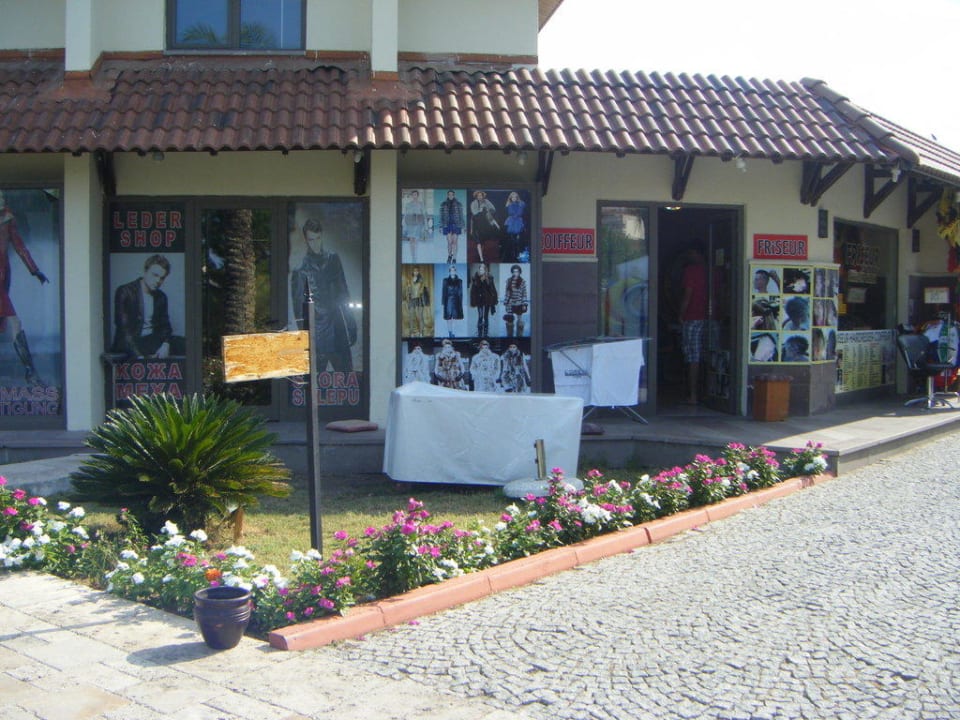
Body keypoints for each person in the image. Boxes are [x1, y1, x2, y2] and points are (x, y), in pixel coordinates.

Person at [290, 217, 356, 372]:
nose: (316, 243)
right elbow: (299, 311)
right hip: (317, 335)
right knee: (314, 385)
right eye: (312, 239)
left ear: (322, 236)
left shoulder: (333, 259)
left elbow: (343, 293)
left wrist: (351, 323)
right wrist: (306, 338)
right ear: (306, 240)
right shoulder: (301, 271)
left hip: (337, 329)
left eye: (318, 238)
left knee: (346, 378)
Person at [0, 189, 49, 386]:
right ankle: (30, 370)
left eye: (3, 197)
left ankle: (30, 370)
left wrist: (34, 270)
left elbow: (19, 246)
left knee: (14, 323)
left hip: (2, 279)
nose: (2, 201)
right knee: (13, 323)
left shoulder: (7, 219)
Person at [111, 254, 185, 360]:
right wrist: (139, 357)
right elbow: (124, 330)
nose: (158, 281)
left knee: (185, 344)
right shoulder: (125, 291)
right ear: (145, 272)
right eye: (155, 275)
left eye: (162, 278)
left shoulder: (161, 297)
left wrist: (165, 344)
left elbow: (165, 327)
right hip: (129, 343)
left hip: (150, 341)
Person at [678, 245, 708, 404]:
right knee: (709, 354)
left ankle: (693, 394)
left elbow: (687, 294)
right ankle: (709, 393)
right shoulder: (714, 270)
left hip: (693, 318)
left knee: (692, 356)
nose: (689, 256)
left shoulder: (691, 271)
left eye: (691, 252)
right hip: (712, 319)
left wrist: (681, 314)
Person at [469, 262, 498, 337]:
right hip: (479, 300)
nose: (481, 271)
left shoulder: (489, 278)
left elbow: (492, 289)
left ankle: (485, 332)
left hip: (487, 299)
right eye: (480, 269)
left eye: (483, 269)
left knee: (486, 316)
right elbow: (473, 290)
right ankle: (479, 332)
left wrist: (494, 299)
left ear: (485, 270)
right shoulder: (475, 278)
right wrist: (473, 300)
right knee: (480, 316)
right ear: (479, 270)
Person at [469, 190, 499, 263]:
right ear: (476, 196)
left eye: (481, 195)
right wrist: (480, 209)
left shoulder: (486, 202)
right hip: (476, 223)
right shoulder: (473, 203)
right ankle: (481, 258)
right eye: (478, 195)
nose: (480, 197)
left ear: (483, 196)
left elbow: (492, 210)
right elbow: (474, 213)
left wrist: (487, 210)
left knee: (482, 243)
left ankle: (480, 255)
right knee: (478, 242)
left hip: (484, 225)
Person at [502, 264, 528, 337]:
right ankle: (509, 336)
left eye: (517, 272)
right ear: (512, 272)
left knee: (520, 321)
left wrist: (524, 304)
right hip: (510, 303)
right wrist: (506, 302)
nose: (515, 273)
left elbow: (524, 294)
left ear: (520, 272)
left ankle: (519, 336)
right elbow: (507, 292)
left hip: (519, 303)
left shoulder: (522, 282)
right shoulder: (509, 281)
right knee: (510, 321)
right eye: (514, 272)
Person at [439, 190, 464, 264]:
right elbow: (441, 216)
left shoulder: (459, 204)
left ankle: (455, 258)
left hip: (456, 224)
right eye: (449, 194)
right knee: (449, 242)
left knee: (455, 242)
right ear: (447, 195)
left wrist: (462, 227)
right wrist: (440, 226)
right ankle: (450, 255)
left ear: (454, 195)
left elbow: (461, 215)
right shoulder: (443, 204)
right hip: (447, 224)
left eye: (451, 194)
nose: (450, 196)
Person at [404, 265, 430, 337]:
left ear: (418, 272)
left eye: (417, 271)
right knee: (411, 316)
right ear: (413, 271)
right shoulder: (410, 280)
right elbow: (408, 290)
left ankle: (421, 333)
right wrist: (408, 291)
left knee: (420, 316)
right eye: (414, 271)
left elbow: (422, 290)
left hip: (419, 299)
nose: (416, 272)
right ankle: (412, 333)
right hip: (412, 299)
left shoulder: (421, 280)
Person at [402, 190, 426, 262]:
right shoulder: (408, 204)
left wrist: (425, 226)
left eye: (415, 195)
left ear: (418, 196)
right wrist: (404, 224)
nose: (414, 196)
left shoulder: (421, 204)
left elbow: (423, 214)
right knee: (411, 240)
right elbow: (406, 214)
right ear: (412, 196)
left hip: (418, 222)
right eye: (413, 195)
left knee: (416, 239)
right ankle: (413, 256)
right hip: (410, 222)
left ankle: (415, 255)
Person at [441, 265, 464, 338]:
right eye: (451, 270)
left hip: (456, 300)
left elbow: (460, 292)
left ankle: (453, 332)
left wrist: (460, 302)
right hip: (448, 300)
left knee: (455, 318)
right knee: (448, 318)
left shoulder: (459, 281)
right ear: (449, 272)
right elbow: (444, 291)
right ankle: (450, 332)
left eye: (454, 270)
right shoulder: (445, 280)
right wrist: (443, 302)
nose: (452, 271)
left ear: (455, 271)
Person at [503, 191, 526, 262]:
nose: (514, 198)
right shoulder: (509, 205)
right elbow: (510, 212)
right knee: (511, 240)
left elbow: (520, 212)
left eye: (515, 197)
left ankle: (518, 254)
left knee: (518, 240)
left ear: (517, 197)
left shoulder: (521, 204)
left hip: (518, 222)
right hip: (511, 222)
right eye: (512, 197)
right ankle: (512, 255)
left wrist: (517, 214)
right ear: (510, 198)